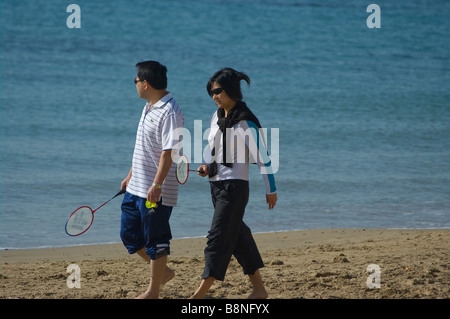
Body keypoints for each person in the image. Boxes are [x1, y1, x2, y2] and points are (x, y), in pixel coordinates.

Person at [190, 68, 277, 299]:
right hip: (216, 186)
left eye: (217, 91)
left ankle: (199, 294)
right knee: (238, 237)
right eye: (211, 92)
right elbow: (212, 148)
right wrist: (205, 165)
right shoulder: (216, 116)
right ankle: (259, 289)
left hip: (234, 188)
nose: (214, 96)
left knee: (217, 237)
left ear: (231, 89)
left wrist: (271, 189)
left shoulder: (245, 122)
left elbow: (263, 158)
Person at [120, 61, 184, 299]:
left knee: (156, 240)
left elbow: (168, 153)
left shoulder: (170, 112)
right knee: (129, 235)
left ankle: (153, 291)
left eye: (135, 81)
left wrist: (156, 185)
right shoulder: (149, 105)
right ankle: (163, 272)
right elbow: (144, 148)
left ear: (145, 83)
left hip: (156, 190)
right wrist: (130, 175)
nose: (134, 85)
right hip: (136, 187)